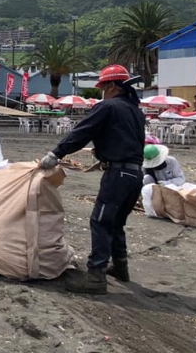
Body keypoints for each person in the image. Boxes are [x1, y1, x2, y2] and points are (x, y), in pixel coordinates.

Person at [39, 64, 145, 294]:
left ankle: (96, 277)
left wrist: (56, 154)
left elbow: (82, 132)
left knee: (101, 220)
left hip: (118, 175)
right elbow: (125, 140)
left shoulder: (107, 106)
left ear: (112, 86)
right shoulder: (135, 111)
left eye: (103, 87)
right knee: (117, 222)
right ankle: (120, 267)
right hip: (135, 174)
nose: (101, 92)